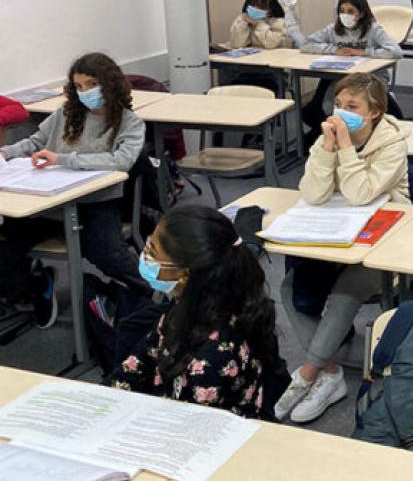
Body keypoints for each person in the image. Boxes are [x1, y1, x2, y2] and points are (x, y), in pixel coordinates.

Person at [275, 73, 410, 423]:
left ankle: (308, 371)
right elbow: (313, 193)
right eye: (338, 104)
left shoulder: (392, 143)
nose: (341, 112)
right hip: (336, 232)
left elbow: (360, 194)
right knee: (290, 288)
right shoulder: (328, 137)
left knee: (344, 292)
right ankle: (330, 372)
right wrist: (327, 148)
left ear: (374, 112)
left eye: (352, 106)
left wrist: (346, 147)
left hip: (382, 240)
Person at [0, 53, 146, 326]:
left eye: (91, 85)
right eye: (79, 87)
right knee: (7, 243)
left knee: (106, 253)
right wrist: (5, 153)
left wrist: (64, 159)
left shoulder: (129, 122)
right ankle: (33, 287)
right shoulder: (66, 114)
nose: (85, 92)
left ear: (109, 83)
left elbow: (121, 160)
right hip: (52, 199)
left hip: (97, 201)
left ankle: (153, 295)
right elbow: (36, 141)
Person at [110, 206, 284, 419]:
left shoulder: (212, 357)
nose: (144, 255)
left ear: (184, 274)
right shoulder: (192, 304)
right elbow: (140, 359)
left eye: (152, 252)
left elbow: (189, 426)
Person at [299, 0, 403, 143]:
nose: (345, 15)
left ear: (361, 13)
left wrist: (364, 52)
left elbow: (396, 51)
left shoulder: (372, 29)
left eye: (350, 11)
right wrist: (333, 50)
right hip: (343, 76)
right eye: (342, 11)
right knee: (328, 105)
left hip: (372, 77)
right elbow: (305, 44)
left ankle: (368, 134)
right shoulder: (333, 29)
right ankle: (330, 135)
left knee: (363, 103)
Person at [227, 0, 293, 50]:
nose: (256, 8)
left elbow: (270, 44)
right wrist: (243, 22)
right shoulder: (245, 19)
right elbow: (237, 44)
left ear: (271, 8)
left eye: (261, 6)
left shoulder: (279, 22)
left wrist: (259, 24)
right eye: (253, 4)